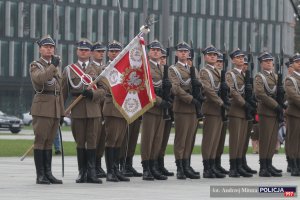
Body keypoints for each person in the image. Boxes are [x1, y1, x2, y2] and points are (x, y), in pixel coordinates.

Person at [62, 38, 103, 184]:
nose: (84, 52)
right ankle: (82, 172)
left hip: (93, 109)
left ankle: (91, 173)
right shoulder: (69, 69)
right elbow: (63, 93)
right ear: (77, 51)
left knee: (92, 141)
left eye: (86, 50)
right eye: (81, 49)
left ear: (90, 52)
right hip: (77, 109)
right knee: (80, 141)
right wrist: (61, 112)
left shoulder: (98, 69)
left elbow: (105, 90)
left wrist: (93, 94)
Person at [29, 35, 63, 184]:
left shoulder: (54, 66)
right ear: (40, 49)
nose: (49, 49)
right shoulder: (35, 65)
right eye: (46, 47)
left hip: (54, 107)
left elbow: (59, 90)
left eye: (51, 47)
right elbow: (40, 79)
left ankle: (48, 173)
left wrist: (61, 111)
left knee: (49, 142)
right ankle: (40, 175)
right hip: (42, 107)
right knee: (40, 141)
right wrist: (53, 66)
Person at [169, 42, 200, 179]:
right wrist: (190, 98)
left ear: (189, 54)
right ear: (176, 54)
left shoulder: (193, 69)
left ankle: (187, 165)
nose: (183, 53)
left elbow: (199, 84)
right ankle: (180, 167)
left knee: (190, 139)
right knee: (181, 140)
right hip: (182, 108)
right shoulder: (173, 69)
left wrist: (199, 94)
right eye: (180, 51)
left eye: (185, 52)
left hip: (193, 109)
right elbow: (175, 88)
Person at [141, 40, 170, 181]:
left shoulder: (164, 69)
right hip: (151, 108)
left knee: (157, 140)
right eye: (153, 49)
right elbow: (147, 88)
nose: (156, 52)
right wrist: (161, 101)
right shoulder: (145, 67)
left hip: (161, 111)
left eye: (158, 50)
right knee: (148, 139)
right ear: (148, 51)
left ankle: (153, 166)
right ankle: (146, 168)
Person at [101, 40, 130, 182]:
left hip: (123, 108)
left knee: (119, 141)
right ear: (108, 53)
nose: (114, 53)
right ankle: (110, 171)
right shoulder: (105, 68)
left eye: (117, 51)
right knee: (111, 140)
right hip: (112, 107)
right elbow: (106, 86)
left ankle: (116, 169)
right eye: (112, 51)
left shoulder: (126, 69)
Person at [199, 45, 227, 179]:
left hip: (218, 110)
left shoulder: (218, 71)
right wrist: (221, 102)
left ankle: (212, 165)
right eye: (210, 55)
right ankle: (207, 168)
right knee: (209, 140)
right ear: (205, 57)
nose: (213, 57)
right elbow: (208, 90)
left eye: (215, 55)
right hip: (211, 109)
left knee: (215, 140)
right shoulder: (204, 72)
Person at [254, 51, 283, 177]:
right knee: (265, 140)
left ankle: (269, 164)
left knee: (272, 140)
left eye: (270, 61)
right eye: (266, 61)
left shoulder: (276, 77)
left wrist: (283, 103)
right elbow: (260, 93)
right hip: (266, 112)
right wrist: (276, 105)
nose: (269, 63)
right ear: (261, 64)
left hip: (275, 113)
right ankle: (263, 167)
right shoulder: (259, 77)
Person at [226, 49, 253, 178]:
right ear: (233, 60)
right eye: (238, 57)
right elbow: (232, 91)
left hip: (244, 112)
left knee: (241, 140)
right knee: (235, 140)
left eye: (242, 57)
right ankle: (233, 167)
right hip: (236, 110)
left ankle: (239, 165)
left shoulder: (245, 74)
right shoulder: (230, 74)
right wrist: (244, 103)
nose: (241, 59)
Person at [157, 48, 174, 177]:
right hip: (158, 107)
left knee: (164, 139)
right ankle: (155, 164)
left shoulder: (169, 72)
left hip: (169, 109)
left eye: (164, 58)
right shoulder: (157, 72)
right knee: (157, 138)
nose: (162, 60)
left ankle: (160, 163)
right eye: (160, 57)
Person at [91, 41, 107, 178]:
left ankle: (98, 163)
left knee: (103, 137)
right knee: (94, 137)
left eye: (102, 52)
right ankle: (92, 165)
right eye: (98, 51)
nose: (101, 54)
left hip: (106, 106)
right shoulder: (88, 68)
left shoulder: (107, 68)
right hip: (95, 105)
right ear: (92, 53)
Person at [284, 53, 300, 176]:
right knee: (293, 140)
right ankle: (293, 165)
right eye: (297, 62)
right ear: (293, 65)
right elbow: (293, 96)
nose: (299, 63)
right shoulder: (290, 79)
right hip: (294, 114)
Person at [214, 52, 229, 175]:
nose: (219, 64)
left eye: (221, 62)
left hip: (223, 111)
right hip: (215, 108)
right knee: (212, 139)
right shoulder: (207, 73)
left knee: (220, 139)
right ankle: (211, 165)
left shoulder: (224, 75)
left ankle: (217, 163)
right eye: (217, 62)